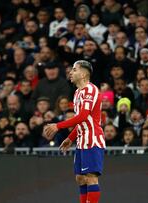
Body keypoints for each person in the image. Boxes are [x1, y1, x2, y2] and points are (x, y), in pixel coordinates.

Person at [45, 60, 105, 203]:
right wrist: (70, 138)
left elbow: (83, 116)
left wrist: (58, 126)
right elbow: (82, 120)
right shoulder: (78, 92)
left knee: (91, 177)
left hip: (92, 138)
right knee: (80, 178)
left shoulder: (90, 90)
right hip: (81, 140)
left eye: (74, 69)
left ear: (84, 74)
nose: (70, 72)